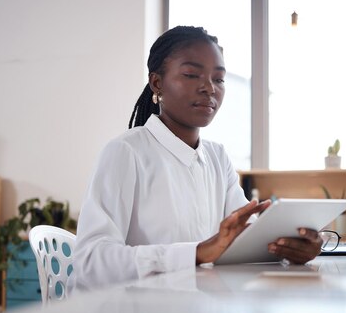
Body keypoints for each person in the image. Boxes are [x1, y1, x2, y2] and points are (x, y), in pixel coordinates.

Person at [73, 26, 321, 290]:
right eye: (191, 75)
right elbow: (89, 262)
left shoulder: (217, 157)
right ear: (157, 83)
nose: (208, 88)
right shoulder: (125, 152)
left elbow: (247, 241)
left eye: (219, 79)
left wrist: (289, 247)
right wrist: (198, 252)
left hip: (197, 311)